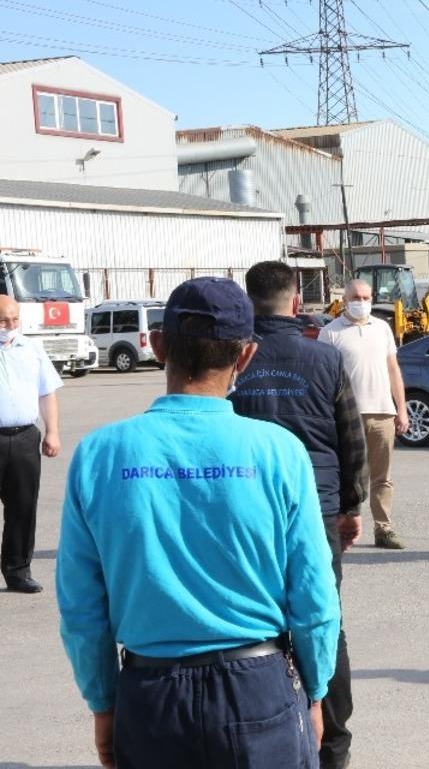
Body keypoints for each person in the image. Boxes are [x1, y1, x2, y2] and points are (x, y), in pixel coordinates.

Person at [56, 277, 340, 769]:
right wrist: (316, 693)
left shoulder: (100, 455)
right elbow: (315, 597)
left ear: (159, 344)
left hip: (150, 698)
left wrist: (103, 704)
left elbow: (82, 608)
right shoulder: (279, 453)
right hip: (259, 690)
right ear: (246, 356)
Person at [232, 261, 369, 769]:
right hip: (318, 508)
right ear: (295, 303)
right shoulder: (325, 358)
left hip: (249, 513)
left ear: (249, 305)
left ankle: (261, 740)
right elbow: (351, 439)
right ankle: (333, 747)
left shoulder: (234, 359)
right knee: (323, 622)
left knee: (256, 628)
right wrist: (351, 508)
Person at [320, 280, 410, 549]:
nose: (362, 301)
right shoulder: (330, 332)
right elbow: (325, 378)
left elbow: (393, 370)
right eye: (356, 297)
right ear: (345, 300)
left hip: (382, 413)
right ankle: (339, 528)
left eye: (366, 297)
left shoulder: (382, 328)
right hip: (347, 415)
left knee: (382, 477)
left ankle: (384, 529)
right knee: (346, 475)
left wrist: (401, 409)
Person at [0, 294, 62, 594]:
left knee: (23, 506)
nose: (10, 326)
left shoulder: (32, 349)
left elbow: (46, 392)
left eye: (14, 320)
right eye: (3, 321)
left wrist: (52, 431)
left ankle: (17, 571)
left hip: (24, 437)